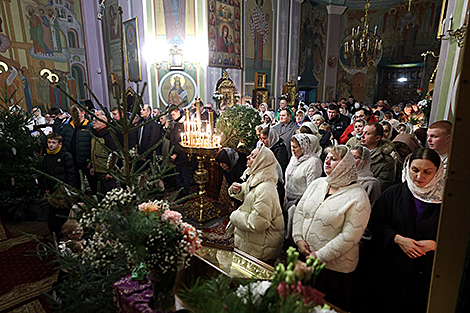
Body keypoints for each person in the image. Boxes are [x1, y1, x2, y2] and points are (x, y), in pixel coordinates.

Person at [365, 148, 444, 313]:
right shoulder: (394, 192)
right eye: (415, 170)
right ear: (407, 168)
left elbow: (457, 237)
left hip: (425, 274)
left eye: (427, 172)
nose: (419, 177)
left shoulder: (446, 199)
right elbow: (376, 222)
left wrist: (436, 245)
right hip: (390, 270)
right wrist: (397, 239)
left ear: (437, 172)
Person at [292, 145, 371, 310]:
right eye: (327, 157)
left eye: (334, 159)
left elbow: (350, 236)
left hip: (332, 270)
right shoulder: (318, 183)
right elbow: (300, 210)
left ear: (345, 165)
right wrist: (298, 238)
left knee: (323, 308)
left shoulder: (358, 197)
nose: (327, 161)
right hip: (305, 258)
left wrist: (319, 256)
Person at [227, 146, 284, 261]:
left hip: (261, 246)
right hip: (254, 242)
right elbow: (252, 192)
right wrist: (239, 190)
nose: (247, 157)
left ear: (261, 162)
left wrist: (234, 216)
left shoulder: (266, 189)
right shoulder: (257, 177)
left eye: (253, 156)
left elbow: (257, 223)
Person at [285, 133, 322, 238]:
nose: (293, 150)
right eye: (291, 146)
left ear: (304, 146)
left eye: (295, 147)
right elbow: (288, 177)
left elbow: (312, 188)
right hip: (288, 199)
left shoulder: (313, 162)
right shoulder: (294, 158)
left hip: (300, 202)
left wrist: (302, 204)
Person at [53, 105, 96, 193]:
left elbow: (94, 145)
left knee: (92, 182)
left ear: (83, 113)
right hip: (72, 159)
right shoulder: (69, 126)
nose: (74, 115)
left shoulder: (89, 126)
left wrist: (91, 161)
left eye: (76, 113)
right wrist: (58, 120)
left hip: (85, 160)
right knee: (75, 183)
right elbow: (58, 134)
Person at [361, 123, 395, 192]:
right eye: (363, 133)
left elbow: (381, 185)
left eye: (367, 134)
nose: (362, 136)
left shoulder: (386, 160)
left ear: (377, 138)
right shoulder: (355, 151)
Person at [90, 111, 118, 194]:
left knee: (110, 193)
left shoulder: (109, 135)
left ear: (104, 123)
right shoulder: (95, 134)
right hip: (97, 169)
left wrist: (111, 171)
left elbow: (114, 153)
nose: (93, 122)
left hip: (106, 171)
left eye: (96, 121)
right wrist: (92, 166)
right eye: (93, 120)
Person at [168, 105, 190, 198]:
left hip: (182, 154)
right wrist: (167, 128)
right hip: (174, 154)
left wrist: (176, 153)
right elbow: (170, 138)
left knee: (184, 175)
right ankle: (179, 191)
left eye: (173, 114)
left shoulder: (184, 123)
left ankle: (185, 193)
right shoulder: (175, 123)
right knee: (177, 175)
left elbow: (182, 140)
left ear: (178, 112)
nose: (172, 116)